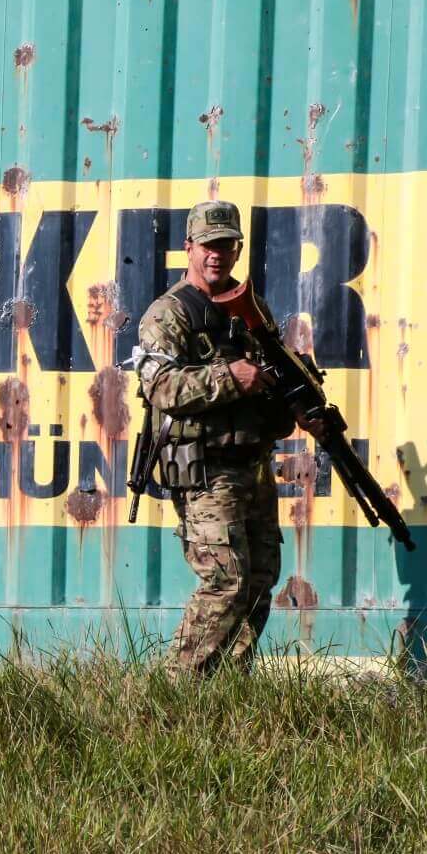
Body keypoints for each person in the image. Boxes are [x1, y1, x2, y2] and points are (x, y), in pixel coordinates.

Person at [134, 200, 299, 677]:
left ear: (237, 249)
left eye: (226, 245)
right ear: (189, 247)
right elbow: (162, 387)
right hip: (206, 469)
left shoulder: (250, 307)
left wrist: (298, 404)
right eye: (208, 245)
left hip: (254, 464)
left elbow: (275, 370)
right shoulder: (169, 313)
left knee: (259, 579)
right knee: (225, 581)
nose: (217, 255)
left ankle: (228, 687)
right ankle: (177, 687)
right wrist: (231, 377)